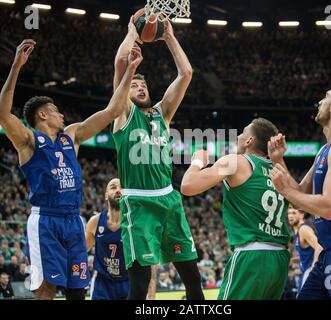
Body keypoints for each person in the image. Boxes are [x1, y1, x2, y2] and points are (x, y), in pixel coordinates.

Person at [0, 39, 142, 300]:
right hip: (46, 221)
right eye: (55, 111)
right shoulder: (28, 141)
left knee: (77, 290)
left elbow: (111, 111)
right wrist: (16, 67)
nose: (61, 115)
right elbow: (3, 113)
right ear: (43, 115)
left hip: (73, 220)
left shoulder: (71, 137)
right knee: (46, 291)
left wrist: (130, 70)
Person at [111, 18, 203, 300]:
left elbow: (186, 73)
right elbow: (119, 63)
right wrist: (131, 33)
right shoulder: (123, 115)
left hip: (170, 200)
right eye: (134, 84)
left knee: (193, 280)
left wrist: (169, 38)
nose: (140, 87)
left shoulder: (161, 114)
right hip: (139, 203)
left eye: (143, 84)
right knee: (140, 286)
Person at [269, 84, 331, 300]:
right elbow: (302, 192)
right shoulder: (325, 149)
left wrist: (284, 189)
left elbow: (329, 208)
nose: (320, 101)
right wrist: (278, 161)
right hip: (329, 250)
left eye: (325, 97)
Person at [181, 118, 291, 300]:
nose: (238, 136)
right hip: (279, 258)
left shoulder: (237, 162)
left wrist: (197, 163)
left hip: (251, 255)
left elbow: (188, 186)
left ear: (249, 141)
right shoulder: (280, 171)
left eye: (242, 133)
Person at [85, 178, 129, 300]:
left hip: (129, 280)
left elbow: (148, 260)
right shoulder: (95, 222)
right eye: (113, 187)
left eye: (121, 188)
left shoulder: (135, 223)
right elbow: (81, 252)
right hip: (102, 283)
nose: (118, 190)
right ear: (105, 196)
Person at [287, 206, 323, 292]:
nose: (290, 216)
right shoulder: (296, 232)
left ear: (301, 215)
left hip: (309, 271)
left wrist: (312, 270)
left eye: (294, 213)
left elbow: (319, 247)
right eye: (289, 213)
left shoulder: (304, 229)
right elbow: (307, 253)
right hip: (303, 271)